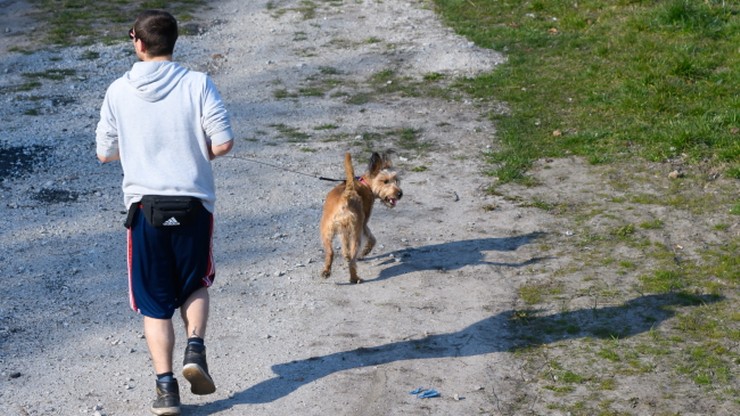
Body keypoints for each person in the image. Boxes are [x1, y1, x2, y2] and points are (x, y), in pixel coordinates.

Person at [95, 10, 234, 416]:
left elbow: (104, 153)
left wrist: (137, 151)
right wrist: (193, 152)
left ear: (137, 41)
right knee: (195, 283)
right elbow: (223, 143)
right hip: (194, 206)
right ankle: (195, 347)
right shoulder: (198, 83)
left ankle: (166, 390)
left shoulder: (118, 91)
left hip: (144, 212)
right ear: (175, 42)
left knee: (155, 303)